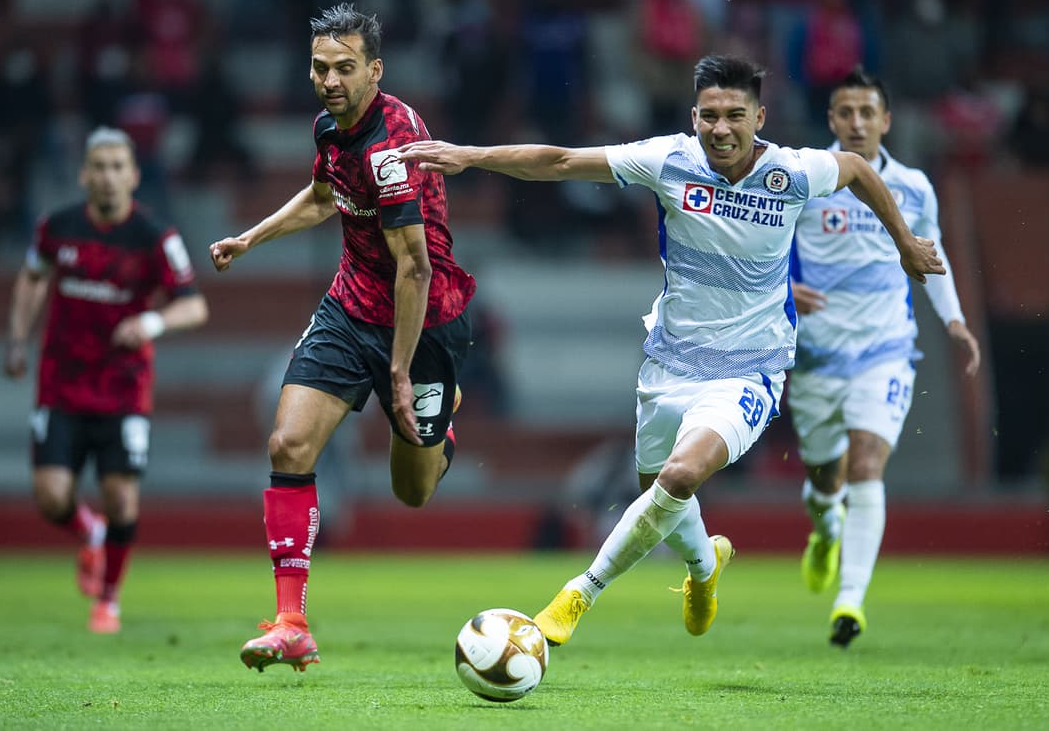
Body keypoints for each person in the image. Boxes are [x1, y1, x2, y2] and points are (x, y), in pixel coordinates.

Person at [396, 54, 944, 647]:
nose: (722, 128)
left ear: (759, 116)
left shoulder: (793, 172)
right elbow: (556, 161)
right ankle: (705, 570)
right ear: (694, 116)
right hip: (669, 365)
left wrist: (907, 243)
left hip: (750, 369)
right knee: (659, 495)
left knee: (680, 477)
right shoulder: (669, 160)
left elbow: (859, 168)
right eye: (710, 115)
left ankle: (579, 593)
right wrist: (471, 156)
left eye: (736, 115)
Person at [209, 4, 476, 673]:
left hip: (425, 320)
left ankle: (438, 434)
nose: (329, 79)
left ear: (374, 70)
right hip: (351, 305)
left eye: (344, 68)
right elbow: (323, 195)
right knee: (289, 442)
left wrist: (399, 371)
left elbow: (414, 267)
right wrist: (251, 237)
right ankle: (292, 621)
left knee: (412, 490)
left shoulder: (389, 148)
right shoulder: (331, 125)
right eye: (320, 67)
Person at [788, 67, 981, 648]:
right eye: (845, 113)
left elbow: (932, 250)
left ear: (886, 121)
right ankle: (825, 528)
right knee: (827, 480)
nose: (856, 123)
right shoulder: (802, 177)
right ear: (831, 120)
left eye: (867, 113)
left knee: (867, 464)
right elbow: (761, 245)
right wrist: (781, 290)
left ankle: (849, 604)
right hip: (816, 357)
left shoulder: (916, 187)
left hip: (885, 351)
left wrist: (954, 320)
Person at [3, 126, 209, 634]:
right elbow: (32, 276)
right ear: (84, 174)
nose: (109, 177)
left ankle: (109, 600)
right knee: (51, 497)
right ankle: (89, 531)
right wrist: (16, 338)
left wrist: (152, 322)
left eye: (119, 167)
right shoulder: (57, 228)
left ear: (134, 176)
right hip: (62, 382)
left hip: (122, 389)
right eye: (100, 166)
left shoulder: (155, 237)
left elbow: (194, 305)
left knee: (122, 499)